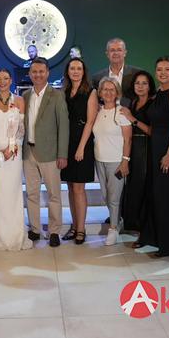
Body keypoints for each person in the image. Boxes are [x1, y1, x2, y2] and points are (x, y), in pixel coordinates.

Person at [138, 57, 169, 256]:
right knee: (158, 196)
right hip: (156, 149)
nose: (163, 73)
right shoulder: (158, 94)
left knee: (168, 198)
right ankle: (158, 239)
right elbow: (154, 127)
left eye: (167, 69)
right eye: (159, 69)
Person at [0, 69, 33, 250]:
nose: (2, 82)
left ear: (11, 80)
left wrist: (12, 148)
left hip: (13, 155)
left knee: (13, 193)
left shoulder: (19, 100)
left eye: (5, 78)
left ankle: (14, 236)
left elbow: (21, 129)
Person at [23, 58, 69, 247]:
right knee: (31, 194)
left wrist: (62, 154)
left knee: (53, 194)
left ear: (48, 73)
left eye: (41, 71)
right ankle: (35, 229)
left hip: (50, 153)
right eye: (34, 72)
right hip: (28, 151)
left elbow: (63, 126)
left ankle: (54, 231)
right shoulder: (25, 95)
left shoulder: (56, 95)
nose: (38, 75)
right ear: (29, 74)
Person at [60, 57, 98, 245]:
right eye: (72, 68)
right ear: (68, 72)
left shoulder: (91, 92)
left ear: (84, 72)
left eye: (79, 68)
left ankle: (81, 229)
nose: (75, 71)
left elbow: (90, 122)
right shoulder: (64, 92)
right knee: (70, 186)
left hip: (82, 142)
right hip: (67, 142)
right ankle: (74, 226)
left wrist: (81, 147)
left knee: (78, 188)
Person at [93, 77, 131, 245]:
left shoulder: (122, 112)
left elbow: (128, 139)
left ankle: (113, 229)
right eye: (105, 89)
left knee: (114, 198)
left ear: (117, 93)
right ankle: (118, 220)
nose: (108, 92)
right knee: (105, 196)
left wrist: (125, 161)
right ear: (100, 93)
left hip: (116, 161)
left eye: (112, 89)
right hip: (99, 160)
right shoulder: (98, 111)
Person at [120, 70, 154, 234]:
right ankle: (132, 223)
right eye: (137, 83)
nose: (140, 86)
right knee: (133, 185)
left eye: (144, 83)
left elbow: (152, 131)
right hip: (132, 147)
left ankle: (143, 226)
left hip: (146, 148)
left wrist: (132, 119)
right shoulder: (133, 103)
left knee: (142, 185)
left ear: (149, 86)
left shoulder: (153, 103)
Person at [92, 38, 142, 105]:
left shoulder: (137, 74)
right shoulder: (97, 78)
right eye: (112, 50)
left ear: (125, 53)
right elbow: (96, 102)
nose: (116, 53)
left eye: (119, 50)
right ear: (107, 54)